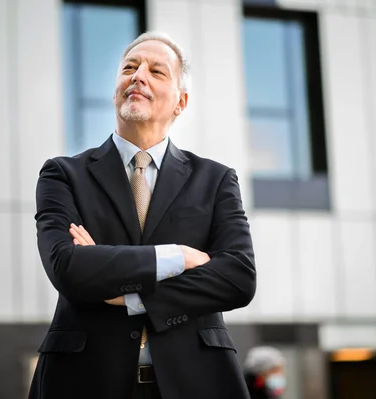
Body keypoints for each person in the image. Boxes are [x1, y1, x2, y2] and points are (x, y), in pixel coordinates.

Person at [28, 31, 257, 399]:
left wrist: (129, 294)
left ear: (181, 101)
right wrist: (178, 257)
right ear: (116, 89)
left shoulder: (215, 180)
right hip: (84, 381)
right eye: (129, 68)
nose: (138, 76)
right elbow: (68, 267)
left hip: (198, 381)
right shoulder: (62, 174)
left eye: (156, 71)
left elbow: (238, 278)